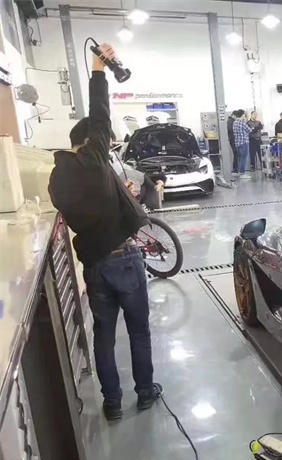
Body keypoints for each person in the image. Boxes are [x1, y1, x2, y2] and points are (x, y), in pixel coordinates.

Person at [47, 43, 161, 421]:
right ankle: (145, 392)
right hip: (124, 259)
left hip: (94, 264)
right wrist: (99, 68)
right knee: (139, 332)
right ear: (90, 140)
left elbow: (85, 208)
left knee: (104, 336)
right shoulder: (95, 157)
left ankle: (111, 403)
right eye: (103, 138)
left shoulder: (56, 179)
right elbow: (100, 111)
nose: (106, 142)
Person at [232, 110, 252, 178]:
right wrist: (246, 122)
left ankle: (239, 172)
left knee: (240, 157)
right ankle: (242, 173)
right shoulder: (242, 122)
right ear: (243, 115)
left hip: (237, 143)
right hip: (244, 142)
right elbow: (249, 130)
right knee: (244, 158)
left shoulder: (234, 122)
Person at [227, 110, 240, 174]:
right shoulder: (230, 121)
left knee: (236, 154)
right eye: (236, 116)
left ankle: (236, 168)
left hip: (234, 139)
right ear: (233, 115)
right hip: (232, 139)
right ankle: (235, 168)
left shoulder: (232, 121)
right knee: (236, 153)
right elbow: (230, 129)